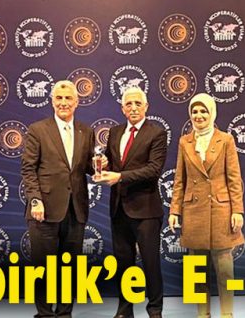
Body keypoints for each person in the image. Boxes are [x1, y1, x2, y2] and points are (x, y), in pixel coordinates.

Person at [21, 80, 96, 318]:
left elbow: (87, 168)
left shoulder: (86, 131)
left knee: (69, 268)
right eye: (59, 98)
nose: (63, 103)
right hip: (44, 210)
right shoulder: (38, 130)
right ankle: (44, 314)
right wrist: (35, 200)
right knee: (43, 268)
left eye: (68, 98)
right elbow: (28, 169)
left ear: (77, 102)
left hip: (76, 210)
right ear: (52, 101)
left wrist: (100, 166)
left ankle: (64, 313)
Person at [168, 93, 244, 318]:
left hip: (221, 211)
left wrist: (237, 210)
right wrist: (174, 210)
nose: (198, 115)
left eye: (203, 111)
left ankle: (227, 314)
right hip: (194, 212)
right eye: (194, 111)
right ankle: (202, 314)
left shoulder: (226, 139)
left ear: (212, 113)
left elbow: (234, 178)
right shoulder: (184, 141)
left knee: (225, 270)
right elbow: (179, 180)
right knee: (197, 271)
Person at [95, 87, 167, 318]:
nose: (133, 108)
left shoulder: (156, 133)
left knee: (150, 263)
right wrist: (104, 164)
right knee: (124, 264)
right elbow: (112, 163)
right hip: (119, 209)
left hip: (146, 210)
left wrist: (119, 177)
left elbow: (153, 170)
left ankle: (154, 310)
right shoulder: (115, 132)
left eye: (138, 103)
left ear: (146, 107)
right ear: (122, 108)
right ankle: (125, 310)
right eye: (129, 104)